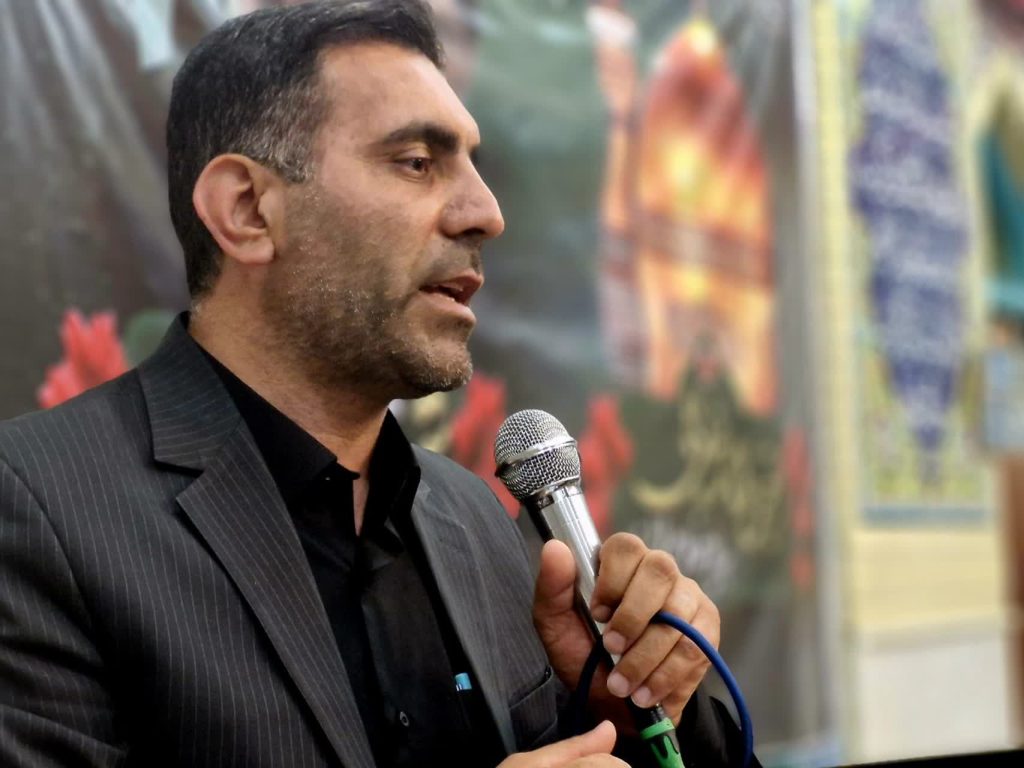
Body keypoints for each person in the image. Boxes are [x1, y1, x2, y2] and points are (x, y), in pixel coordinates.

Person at [0, 1, 754, 765]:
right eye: (417, 162)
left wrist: (625, 715)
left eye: (475, 166)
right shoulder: (38, 511)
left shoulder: (473, 518)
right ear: (248, 210)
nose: (485, 213)